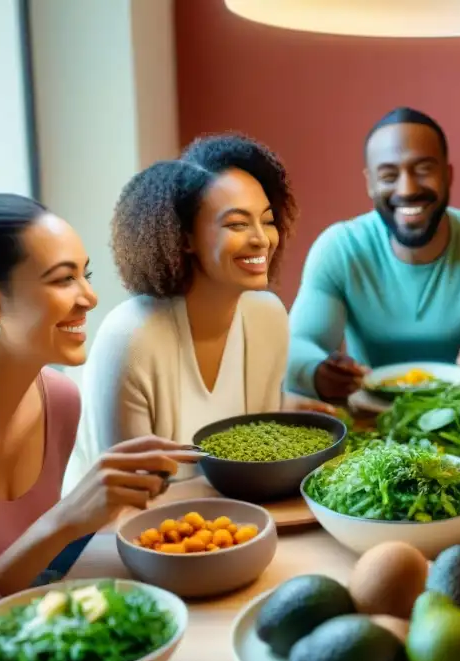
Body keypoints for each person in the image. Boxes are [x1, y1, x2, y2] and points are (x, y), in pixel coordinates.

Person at [0, 195, 198, 661]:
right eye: (63, 279)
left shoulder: (60, 400)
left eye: (85, 274)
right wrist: (63, 522)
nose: (88, 297)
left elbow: (26, 583)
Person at [68, 133, 330, 488]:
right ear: (185, 236)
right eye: (237, 224)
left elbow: (254, 467)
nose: (261, 239)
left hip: (233, 520)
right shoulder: (131, 338)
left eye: (267, 221)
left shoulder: (268, 318)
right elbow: (128, 500)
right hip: (116, 534)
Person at [286, 106, 460, 401]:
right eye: (389, 175)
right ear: (370, 183)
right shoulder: (339, 249)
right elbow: (295, 348)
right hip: (371, 429)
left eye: (423, 169)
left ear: (448, 174)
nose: (407, 189)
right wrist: (316, 373)